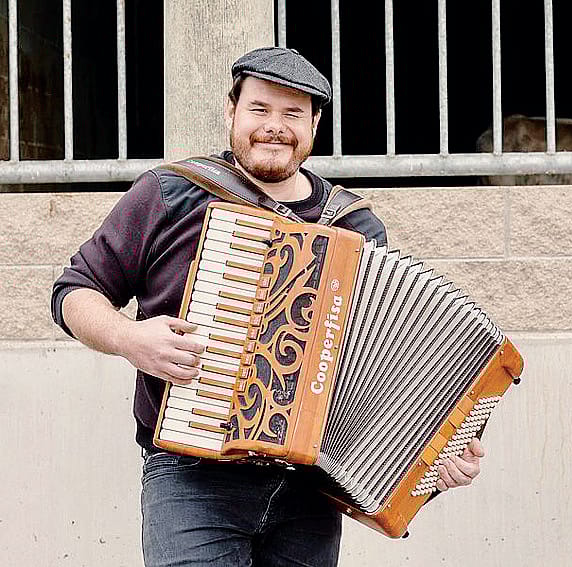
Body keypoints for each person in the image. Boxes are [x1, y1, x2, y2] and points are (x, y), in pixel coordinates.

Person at [51, 46, 485, 566]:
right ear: (232, 111)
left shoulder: (353, 226)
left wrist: (439, 454)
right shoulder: (171, 194)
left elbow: (389, 367)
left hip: (311, 488)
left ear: (314, 125)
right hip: (191, 477)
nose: (273, 127)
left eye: (292, 114)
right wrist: (130, 339)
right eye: (259, 109)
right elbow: (74, 291)